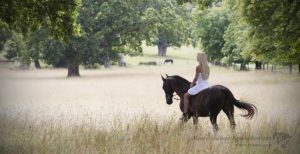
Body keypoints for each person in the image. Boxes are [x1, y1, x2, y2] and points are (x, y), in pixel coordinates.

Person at [182, 53, 210, 120]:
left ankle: (185, 113)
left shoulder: (198, 67)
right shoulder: (207, 67)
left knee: (186, 95)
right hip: (206, 85)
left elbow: (196, 78)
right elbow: (206, 77)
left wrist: (192, 84)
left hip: (200, 85)